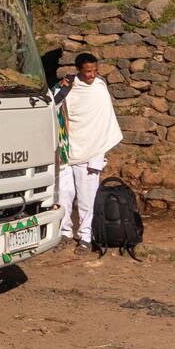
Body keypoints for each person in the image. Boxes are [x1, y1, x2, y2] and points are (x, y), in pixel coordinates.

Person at [55, 53, 122, 252]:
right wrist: (62, 89)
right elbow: (52, 105)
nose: (92, 75)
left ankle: (85, 236)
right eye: (87, 72)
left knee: (87, 198)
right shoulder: (67, 86)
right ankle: (64, 233)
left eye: (94, 71)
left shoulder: (100, 89)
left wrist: (98, 153)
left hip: (91, 149)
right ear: (79, 70)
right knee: (63, 195)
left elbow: (102, 123)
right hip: (66, 149)